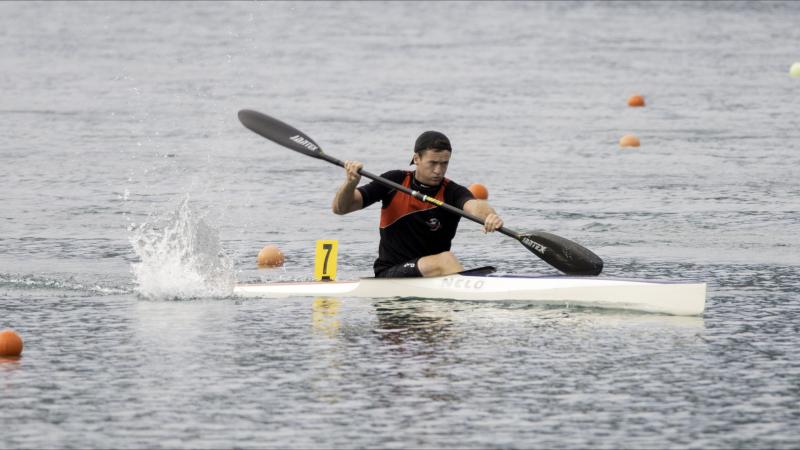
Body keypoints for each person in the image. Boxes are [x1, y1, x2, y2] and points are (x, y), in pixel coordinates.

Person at [332, 130, 503, 278]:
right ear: (416, 158)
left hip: (432, 273)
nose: (439, 170)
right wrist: (350, 183)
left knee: (455, 264)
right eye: (433, 163)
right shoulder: (394, 182)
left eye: (444, 163)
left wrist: (490, 216)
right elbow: (341, 208)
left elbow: (474, 205)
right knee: (446, 259)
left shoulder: (451, 191)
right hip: (391, 272)